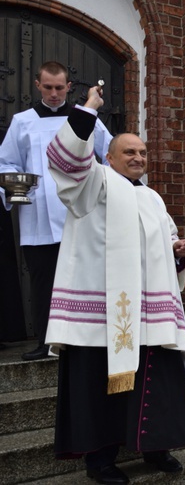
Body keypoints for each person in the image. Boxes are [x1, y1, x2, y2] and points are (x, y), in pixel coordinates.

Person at [45, 86, 185, 484]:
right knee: (100, 388)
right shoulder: (92, 182)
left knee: (155, 382)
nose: (137, 158)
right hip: (104, 314)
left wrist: (178, 251)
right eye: (128, 152)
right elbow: (64, 163)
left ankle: (156, 446)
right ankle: (100, 459)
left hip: (149, 315)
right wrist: (86, 110)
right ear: (108, 156)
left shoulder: (153, 198)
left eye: (142, 153)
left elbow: (164, 244)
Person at [0, 61, 112, 361]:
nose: (53, 93)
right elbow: (6, 162)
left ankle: (85, 341)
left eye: (59, 88)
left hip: (81, 215)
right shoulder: (23, 121)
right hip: (37, 216)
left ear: (68, 87)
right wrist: (16, 188)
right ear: (37, 85)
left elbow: (111, 155)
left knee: (83, 279)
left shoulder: (86, 119)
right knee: (43, 284)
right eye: (47, 87)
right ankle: (45, 342)